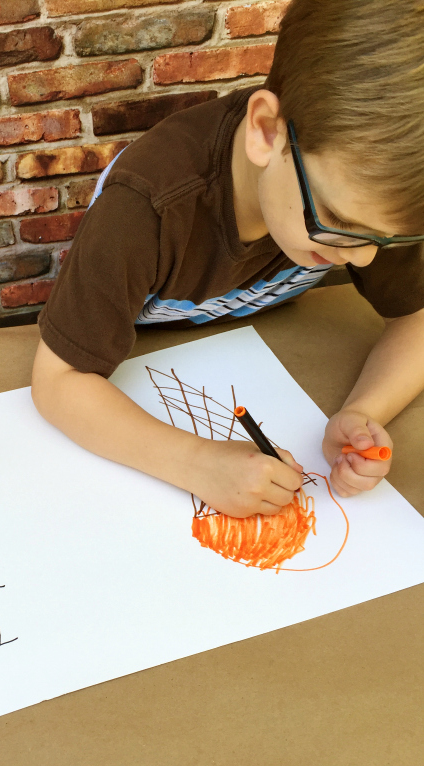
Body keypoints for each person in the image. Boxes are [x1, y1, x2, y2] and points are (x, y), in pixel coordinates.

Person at [31, 0, 424, 518]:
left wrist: (363, 411)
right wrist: (198, 464)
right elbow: (58, 382)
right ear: (266, 131)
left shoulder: (367, 197)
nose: (366, 260)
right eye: (335, 222)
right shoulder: (146, 207)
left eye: (385, 240)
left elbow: (417, 317)